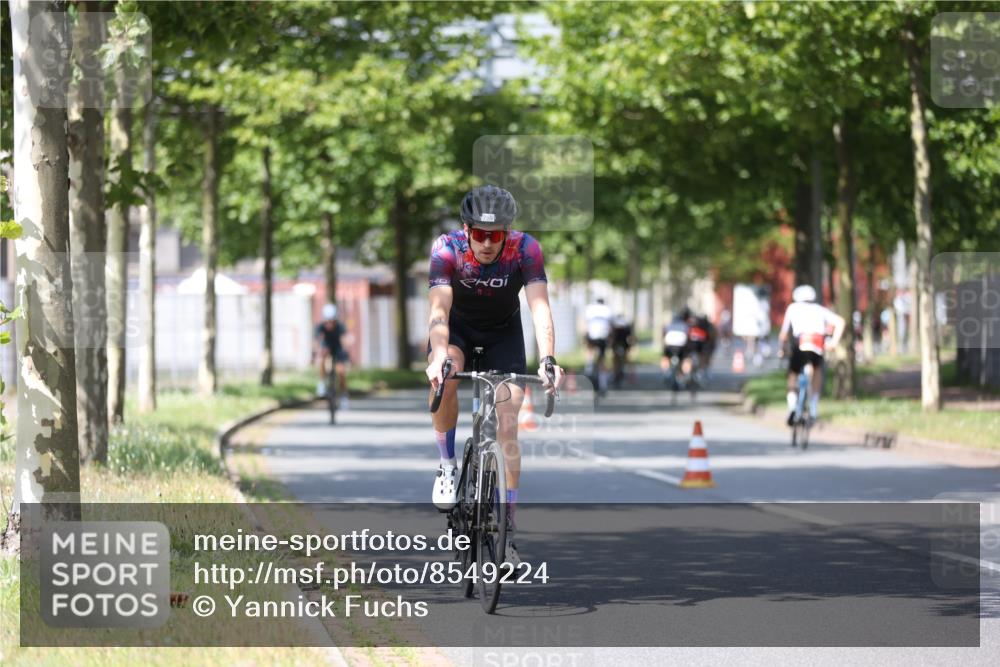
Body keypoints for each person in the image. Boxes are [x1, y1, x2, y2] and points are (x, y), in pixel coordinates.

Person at [425, 184, 564, 566]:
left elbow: (539, 308)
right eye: (480, 234)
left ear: (507, 233)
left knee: (508, 420)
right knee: (446, 374)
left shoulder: (526, 249)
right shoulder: (446, 248)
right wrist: (439, 356)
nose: (487, 243)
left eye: (496, 235)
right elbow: (439, 309)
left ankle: (508, 530)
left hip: (504, 334)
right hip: (457, 332)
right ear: (466, 230)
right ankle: (447, 465)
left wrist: (548, 358)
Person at [777, 285, 846, 424]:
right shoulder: (819, 309)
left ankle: (792, 406)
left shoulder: (793, 308)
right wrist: (833, 342)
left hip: (801, 343)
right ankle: (814, 406)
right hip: (817, 343)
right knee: (817, 371)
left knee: (793, 374)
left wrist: (782, 349)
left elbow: (783, 333)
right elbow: (840, 322)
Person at [314, 303, 349, 408]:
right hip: (327, 347)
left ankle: (344, 396)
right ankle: (321, 383)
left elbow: (345, 340)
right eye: (327, 321)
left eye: (332, 321)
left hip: (337, 348)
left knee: (341, 372)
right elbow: (316, 341)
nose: (329, 324)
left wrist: (345, 351)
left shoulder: (340, 326)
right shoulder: (320, 326)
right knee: (322, 356)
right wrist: (316, 352)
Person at [583, 297, 612, 393]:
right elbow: (610, 325)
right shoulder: (607, 309)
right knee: (602, 359)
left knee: (589, 350)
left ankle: (589, 366)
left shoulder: (590, 308)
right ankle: (603, 384)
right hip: (603, 336)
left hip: (592, 335)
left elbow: (585, 324)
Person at [661, 307, 692, 383]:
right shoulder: (685, 326)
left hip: (669, 346)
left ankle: (665, 372)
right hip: (682, 347)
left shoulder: (668, 325)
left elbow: (663, 335)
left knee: (665, 357)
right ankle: (686, 373)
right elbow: (689, 336)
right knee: (686, 359)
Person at [609, 313, 634, 388]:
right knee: (624, 358)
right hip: (623, 343)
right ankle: (621, 371)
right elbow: (630, 336)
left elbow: (611, 336)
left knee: (615, 359)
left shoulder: (614, 325)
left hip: (617, 343)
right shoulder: (626, 324)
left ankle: (617, 372)